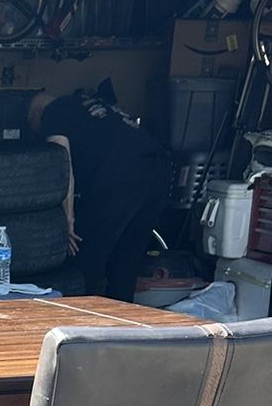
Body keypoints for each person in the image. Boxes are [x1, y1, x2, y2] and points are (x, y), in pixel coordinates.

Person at [26, 87, 171, 302]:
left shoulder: (53, 112)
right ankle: (118, 325)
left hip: (121, 175)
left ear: (35, 114)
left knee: (86, 256)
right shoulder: (90, 104)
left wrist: (68, 219)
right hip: (158, 169)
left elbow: (62, 164)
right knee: (127, 260)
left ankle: (78, 319)